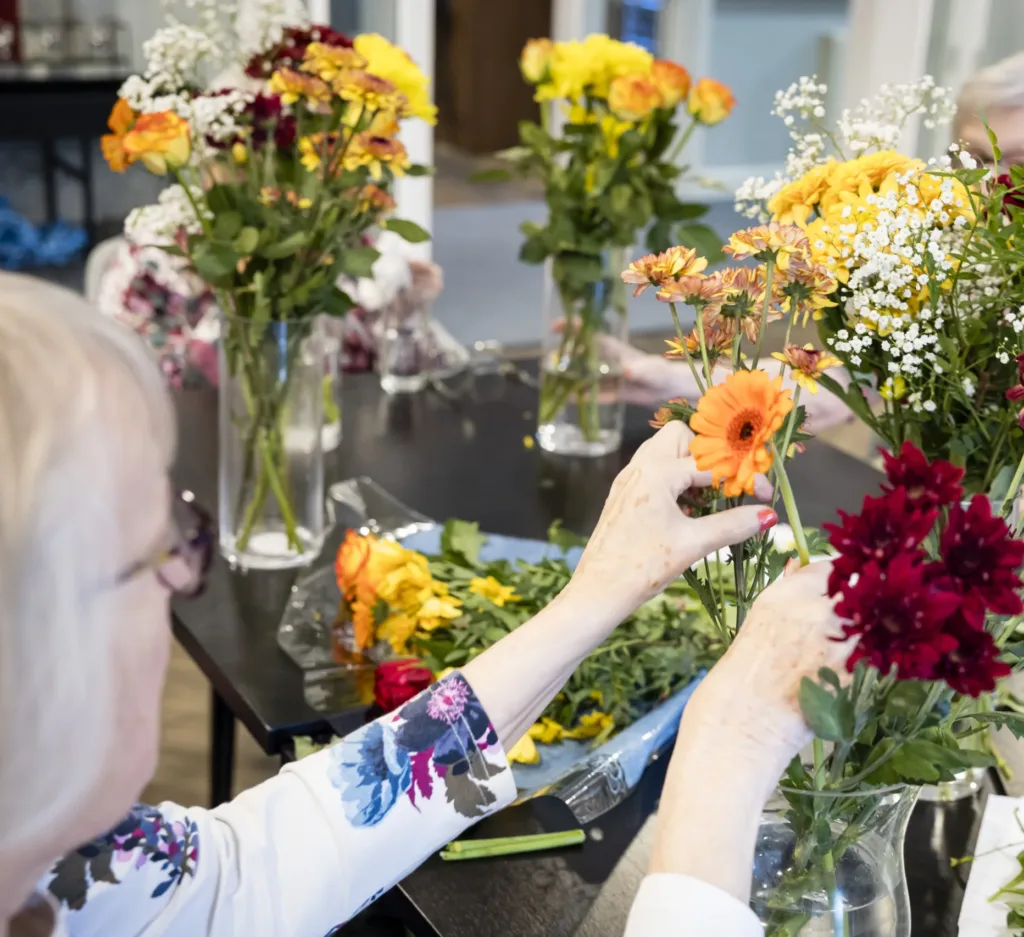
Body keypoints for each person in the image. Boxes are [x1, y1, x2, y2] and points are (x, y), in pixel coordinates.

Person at [0, 270, 846, 936]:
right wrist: (728, 753)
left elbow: (241, 875)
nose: (184, 580)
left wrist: (600, 592)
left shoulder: (57, 866)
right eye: (162, 546)